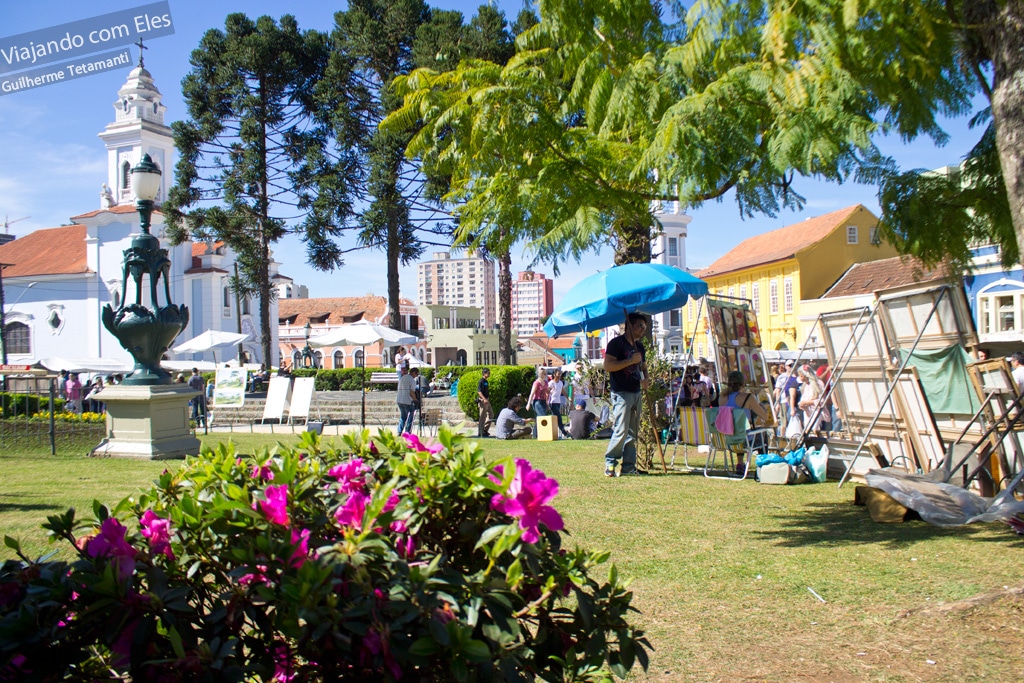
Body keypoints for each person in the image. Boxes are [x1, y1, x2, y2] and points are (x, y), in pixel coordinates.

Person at [603, 312, 649, 477]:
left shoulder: (640, 347)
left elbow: (643, 367)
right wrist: (630, 361)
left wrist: (646, 380)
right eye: (640, 326)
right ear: (630, 325)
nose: (643, 329)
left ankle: (629, 466)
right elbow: (608, 366)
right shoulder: (616, 344)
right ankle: (610, 463)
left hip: (636, 391)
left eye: (645, 327)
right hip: (621, 393)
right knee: (621, 430)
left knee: (632, 432)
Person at [720, 370, 773, 474]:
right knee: (762, 433)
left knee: (738, 429)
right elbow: (765, 417)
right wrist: (763, 407)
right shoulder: (747, 398)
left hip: (727, 439)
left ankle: (740, 463)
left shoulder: (722, 398)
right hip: (743, 440)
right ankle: (763, 464)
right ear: (743, 384)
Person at [526, 367, 550, 436]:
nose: (545, 375)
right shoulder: (536, 383)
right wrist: (528, 404)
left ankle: (535, 434)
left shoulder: (546, 383)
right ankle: (543, 433)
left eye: (546, 374)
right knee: (542, 416)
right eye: (544, 374)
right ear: (540, 374)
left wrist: (547, 402)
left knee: (539, 418)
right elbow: (532, 393)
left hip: (543, 401)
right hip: (537, 402)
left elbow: (546, 393)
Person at [547, 369, 570, 438]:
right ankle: (564, 432)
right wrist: (547, 401)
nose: (559, 375)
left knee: (555, 418)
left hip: (558, 402)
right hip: (552, 402)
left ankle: (556, 432)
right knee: (558, 417)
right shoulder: (551, 383)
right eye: (558, 374)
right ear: (554, 375)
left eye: (560, 374)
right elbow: (547, 392)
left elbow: (562, 391)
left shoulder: (560, 383)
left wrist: (567, 397)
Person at [396, 366, 417, 434]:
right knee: (410, 418)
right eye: (416, 374)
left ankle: (399, 431)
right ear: (413, 373)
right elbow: (412, 392)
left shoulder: (402, 378)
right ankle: (407, 432)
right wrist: (415, 400)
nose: (416, 376)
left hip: (399, 400)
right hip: (407, 401)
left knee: (403, 417)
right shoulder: (412, 380)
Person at [477, 368, 493, 437]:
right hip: (482, 400)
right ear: (484, 373)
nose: (489, 374)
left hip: (487, 399)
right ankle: (480, 432)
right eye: (488, 373)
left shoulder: (486, 381)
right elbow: (479, 391)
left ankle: (485, 430)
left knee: (491, 414)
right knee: (482, 417)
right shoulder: (481, 381)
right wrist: (484, 399)